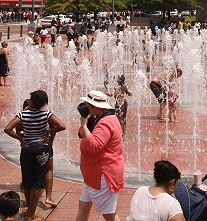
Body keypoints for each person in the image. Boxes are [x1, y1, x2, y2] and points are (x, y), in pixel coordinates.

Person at [4, 89, 66, 221]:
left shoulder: (22, 114)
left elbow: (7, 129)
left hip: (27, 148)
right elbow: (62, 126)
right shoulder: (47, 114)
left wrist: (20, 138)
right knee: (38, 180)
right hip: (42, 149)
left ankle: (29, 210)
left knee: (27, 178)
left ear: (32, 101)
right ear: (44, 103)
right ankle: (31, 214)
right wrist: (49, 132)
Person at [76, 90, 124, 221]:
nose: (86, 107)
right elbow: (82, 134)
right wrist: (86, 124)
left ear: (95, 106)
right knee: (83, 205)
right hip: (95, 174)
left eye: (88, 105)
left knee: (109, 214)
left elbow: (94, 146)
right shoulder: (99, 118)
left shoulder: (106, 122)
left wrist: (83, 124)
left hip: (103, 175)